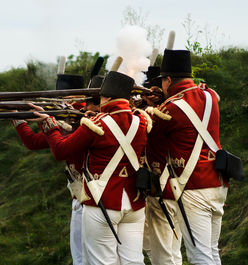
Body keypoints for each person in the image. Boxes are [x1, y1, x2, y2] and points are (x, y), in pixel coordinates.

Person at [34, 71, 149, 264]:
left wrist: (49, 124)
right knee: (133, 261)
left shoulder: (95, 124)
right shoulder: (142, 121)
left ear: (107, 97)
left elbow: (61, 151)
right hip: (135, 203)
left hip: (102, 201)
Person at [147, 49, 228, 265]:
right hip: (218, 183)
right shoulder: (209, 96)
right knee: (211, 251)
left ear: (169, 80)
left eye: (163, 81)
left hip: (192, 186)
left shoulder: (169, 108)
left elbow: (154, 146)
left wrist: (151, 108)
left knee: (199, 256)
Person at [12, 73, 100, 265]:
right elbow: (33, 142)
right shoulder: (67, 122)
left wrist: (50, 121)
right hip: (82, 197)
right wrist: (18, 117)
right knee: (82, 258)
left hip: (96, 199)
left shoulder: (84, 123)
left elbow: (58, 147)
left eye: (64, 98)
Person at [142, 66, 183, 265]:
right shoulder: (177, 107)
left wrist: (147, 107)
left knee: (162, 255)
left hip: (162, 188)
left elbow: (147, 135)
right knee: (173, 251)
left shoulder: (160, 115)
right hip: (181, 185)